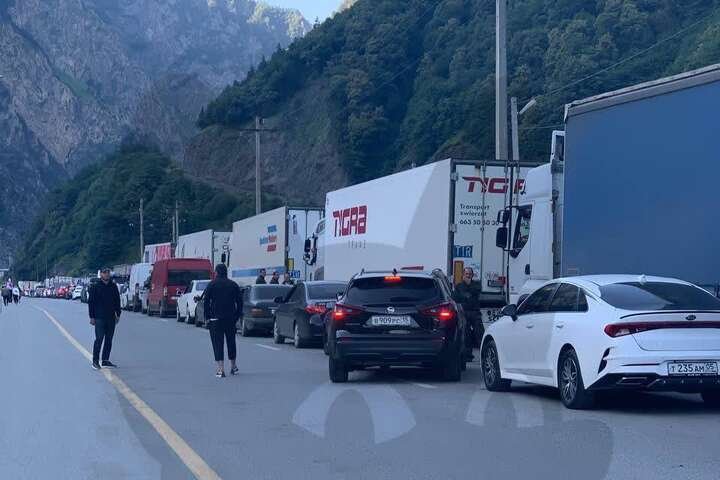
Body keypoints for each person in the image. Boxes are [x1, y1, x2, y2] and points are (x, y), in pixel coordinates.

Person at [203, 264, 243, 378]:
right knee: (231, 342)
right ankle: (233, 366)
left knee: (217, 343)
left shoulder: (212, 284)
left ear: (216, 272)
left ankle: (221, 369)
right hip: (230, 319)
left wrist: (207, 317)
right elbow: (240, 302)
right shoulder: (233, 285)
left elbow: (206, 302)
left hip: (215, 319)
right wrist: (236, 316)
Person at [88, 267, 121, 370]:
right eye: (104, 272)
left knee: (109, 339)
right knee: (99, 339)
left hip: (111, 317)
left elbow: (117, 301)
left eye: (108, 272)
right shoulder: (95, 286)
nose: (106, 274)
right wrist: (92, 317)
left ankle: (105, 360)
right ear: (101, 274)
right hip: (99, 317)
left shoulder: (113, 286)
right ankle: (95, 361)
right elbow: (91, 302)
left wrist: (118, 314)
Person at [453, 267, 485, 361]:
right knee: (466, 334)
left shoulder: (476, 284)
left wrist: (466, 293)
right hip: (464, 313)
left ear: (472, 275)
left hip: (475, 312)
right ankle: (468, 355)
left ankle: (484, 354)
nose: (468, 276)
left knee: (479, 333)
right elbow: (455, 298)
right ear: (463, 275)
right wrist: (466, 295)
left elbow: (476, 291)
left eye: (469, 274)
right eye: (466, 274)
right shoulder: (458, 286)